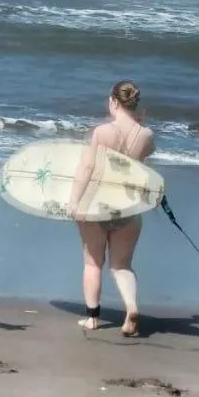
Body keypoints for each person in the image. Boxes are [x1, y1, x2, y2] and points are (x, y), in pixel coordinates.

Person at [67, 80, 155, 337]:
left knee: (93, 263)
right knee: (122, 266)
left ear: (113, 102)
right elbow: (143, 166)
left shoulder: (102, 132)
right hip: (127, 207)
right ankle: (131, 307)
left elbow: (87, 168)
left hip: (96, 205)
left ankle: (92, 319)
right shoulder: (147, 135)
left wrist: (74, 200)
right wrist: (141, 122)